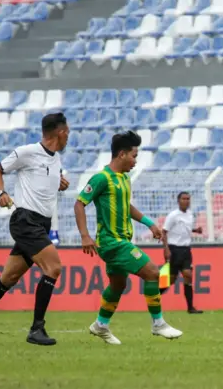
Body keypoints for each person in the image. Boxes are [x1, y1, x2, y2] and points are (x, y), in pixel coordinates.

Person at [0, 112, 70, 348]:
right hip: (26, 221)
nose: (68, 137)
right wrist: (1, 193)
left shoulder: (56, 159)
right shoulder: (27, 152)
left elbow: (48, 182)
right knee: (53, 267)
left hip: (41, 225)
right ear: (61, 132)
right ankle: (37, 328)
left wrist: (61, 183)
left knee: (9, 278)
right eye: (68, 132)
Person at [74, 131, 183, 345]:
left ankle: (100, 325)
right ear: (122, 154)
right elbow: (79, 203)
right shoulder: (101, 178)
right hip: (112, 242)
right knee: (153, 272)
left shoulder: (124, 178)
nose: (135, 161)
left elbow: (126, 206)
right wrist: (85, 236)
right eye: (134, 156)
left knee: (117, 285)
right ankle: (158, 323)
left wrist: (149, 223)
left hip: (123, 240)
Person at [160, 191, 203, 314]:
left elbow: (185, 228)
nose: (186, 201)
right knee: (171, 279)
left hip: (186, 249)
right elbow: (164, 232)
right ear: (178, 201)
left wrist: (196, 230)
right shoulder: (173, 215)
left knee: (188, 275)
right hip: (174, 249)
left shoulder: (190, 215)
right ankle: (154, 298)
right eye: (183, 199)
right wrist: (166, 249)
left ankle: (190, 307)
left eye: (188, 199)